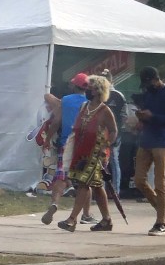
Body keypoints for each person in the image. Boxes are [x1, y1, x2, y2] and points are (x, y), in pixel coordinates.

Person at [57, 75, 118, 232]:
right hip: (81, 152)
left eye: (90, 88)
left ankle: (72, 220)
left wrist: (105, 147)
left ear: (97, 91)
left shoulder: (105, 110)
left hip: (95, 153)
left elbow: (113, 131)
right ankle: (106, 220)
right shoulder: (84, 106)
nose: (87, 91)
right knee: (97, 187)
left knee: (84, 184)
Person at [134, 66, 165, 236]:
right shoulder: (148, 94)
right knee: (139, 180)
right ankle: (163, 208)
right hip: (147, 139)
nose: (146, 87)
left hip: (162, 139)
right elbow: (147, 114)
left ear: (155, 79)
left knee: (160, 182)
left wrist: (152, 117)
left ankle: (160, 222)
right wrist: (141, 119)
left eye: (148, 83)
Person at [41, 73, 90, 225]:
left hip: (66, 142)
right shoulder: (91, 102)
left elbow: (56, 122)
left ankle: (54, 203)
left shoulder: (66, 100)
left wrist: (47, 139)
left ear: (75, 86)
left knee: (60, 176)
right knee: (85, 181)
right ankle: (86, 214)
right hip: (85, 144)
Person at [102, 69, 127, 196]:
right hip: (100, 133)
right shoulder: (99, 94)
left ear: (111, 80)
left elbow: (124, 116)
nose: (104, 81)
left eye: (106, 79)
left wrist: (118, 132)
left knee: (113, 159)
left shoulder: (118, 95)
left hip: (114, 133)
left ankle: (115, 190)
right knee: (102, 161)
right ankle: (101, 190)